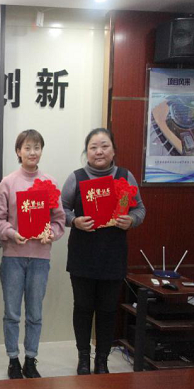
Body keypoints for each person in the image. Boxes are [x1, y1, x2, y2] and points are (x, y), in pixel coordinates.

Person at [61, 127, 145, 375]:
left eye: (104, 146)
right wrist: (75, 221)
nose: (99, 151)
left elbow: (140, 209)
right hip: (82, 256)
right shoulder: (76, 178)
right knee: (83, 307)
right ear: (86, 152)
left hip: (113, 256)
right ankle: (83, 358)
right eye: (93, 147)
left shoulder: (125, 177)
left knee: (108, 310)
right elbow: (61, 210)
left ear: (113, 150)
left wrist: (131, 220)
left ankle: (102, 360)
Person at [0, 129, 65, 379]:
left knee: (35, 313)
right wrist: (12, 233)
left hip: (40, 258)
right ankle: (13, 359)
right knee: (12, 313)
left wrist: (51, 234)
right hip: (13, 256)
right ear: (18, 151)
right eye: (27, 147)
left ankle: (31, 359)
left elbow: (59, 220)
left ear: (41, 151)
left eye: (37, 147)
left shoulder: (50, 183)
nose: (32, 152)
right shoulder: (8, 182)